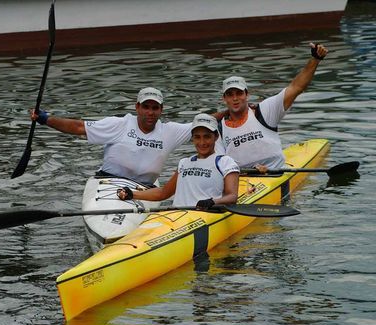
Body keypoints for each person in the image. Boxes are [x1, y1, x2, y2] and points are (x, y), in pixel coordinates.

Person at [30, 87, 192, 186]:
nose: (150, 112)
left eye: (155, 108)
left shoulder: (169, 131)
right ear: (137, 107)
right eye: (146, 107)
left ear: (161, 110)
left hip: (145, 189)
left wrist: (219, 108)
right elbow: (79, 127)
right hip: (108, 183)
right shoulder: (119, 124)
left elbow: (204, 124)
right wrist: (45, 119)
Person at [216, 43, 329, 173]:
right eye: (230, 95)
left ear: (247, 94)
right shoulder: (218, 128)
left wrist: (315, 59)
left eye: (239, 93)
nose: (235, 98)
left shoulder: (265, 111)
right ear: (224, 99)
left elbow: (296, 87)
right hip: (240, 179)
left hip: (275, 174)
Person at [116, 113, 240, 210]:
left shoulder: (225, 162)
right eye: (197, 137)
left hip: (205, 215)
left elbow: (232, 197)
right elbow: (163, 193)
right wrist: (132, 194)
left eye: (207, 136)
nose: (202, 143)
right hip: (176, 216)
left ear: (216, 137)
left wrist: (213, 202)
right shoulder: (184, 163)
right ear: (192, 138)